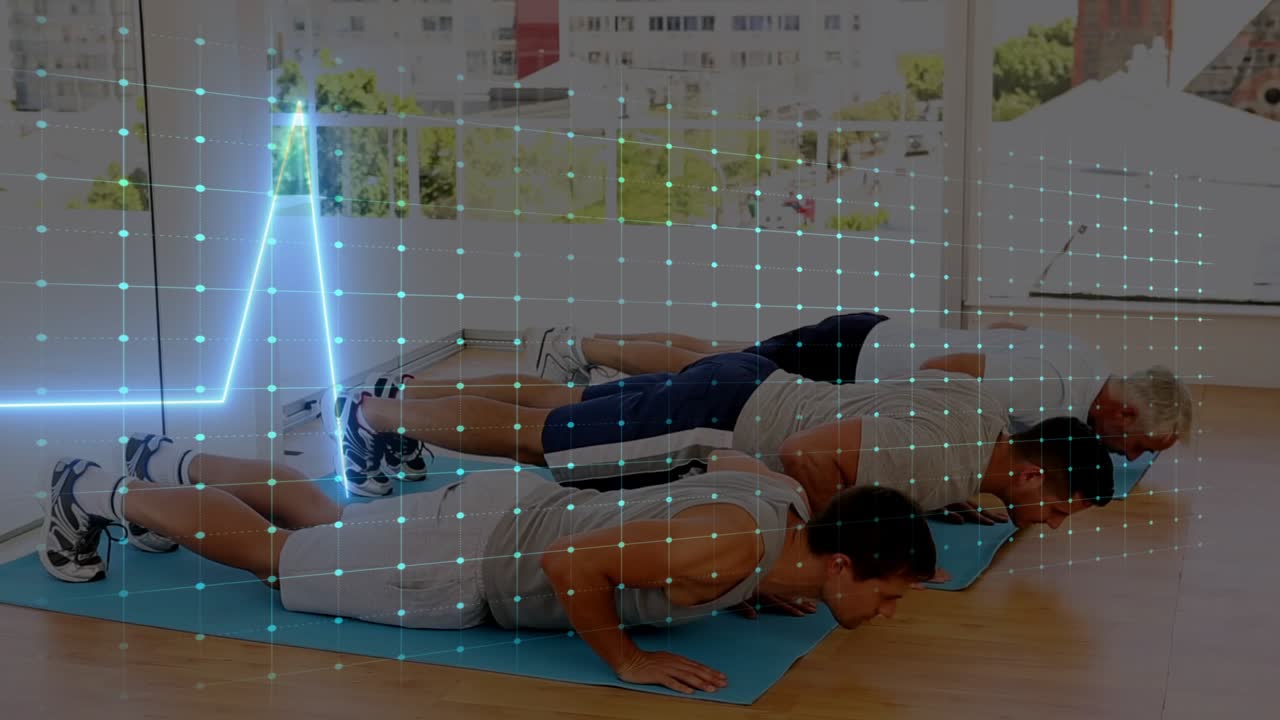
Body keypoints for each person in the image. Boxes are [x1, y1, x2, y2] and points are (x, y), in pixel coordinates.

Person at [39, 438, 936, 695]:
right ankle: (98, 491)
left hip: (501, 504)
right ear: (845, 565)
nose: (890, 612)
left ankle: (171, 465)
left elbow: (718, 472)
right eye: (889, 594)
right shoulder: (735, 547)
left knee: (331, 520)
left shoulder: (781, 513)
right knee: (281, 562)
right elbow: (570, 561)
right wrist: (627, 660)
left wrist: (752, 594)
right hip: (476, 559)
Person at [332, 354, 1114, 527]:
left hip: (748, 382)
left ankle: (406, 402)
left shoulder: (981, 416)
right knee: (539, 439)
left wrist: (939, 498)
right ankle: (372, 418)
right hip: (722, 423)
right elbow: (813, 458)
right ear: (1042, 480)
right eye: (1064, 511)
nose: (1054, 523)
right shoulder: (941, 459)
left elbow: (923, 387)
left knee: (568, 403)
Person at [520, 315, 1193, 460]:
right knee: (710, 362)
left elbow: (1004, 325)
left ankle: (588, 357)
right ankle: (578, 347)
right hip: (856, 363)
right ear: (1127, 408)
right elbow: (943, 378)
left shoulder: (1082, 360)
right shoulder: (1049, 385)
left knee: (713, 358)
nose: (1133, 455)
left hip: (870, 344)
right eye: (1142, 443)